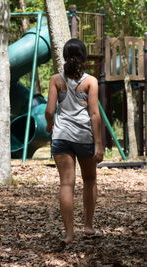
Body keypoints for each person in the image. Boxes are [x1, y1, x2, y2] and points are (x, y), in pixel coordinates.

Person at [45, 38, 104, 249]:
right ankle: (87, 226)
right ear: (84, 57)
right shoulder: (90, 81)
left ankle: (69, 234)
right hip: (83, 136)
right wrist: (98, 143)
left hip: (61, 136)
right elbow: (95, 114)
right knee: (89, 179)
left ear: (64, 56)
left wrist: (50, 124)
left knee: (66, 184)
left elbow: (50, 110)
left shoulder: (56, 80)